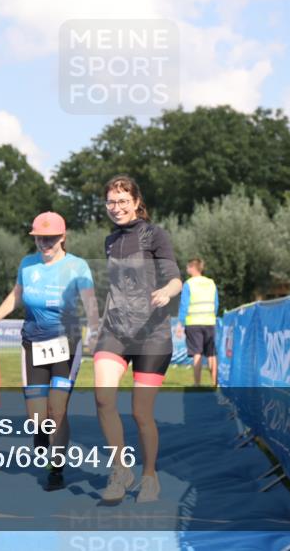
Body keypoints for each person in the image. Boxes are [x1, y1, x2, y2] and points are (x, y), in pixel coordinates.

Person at [0, 211, 99, 491]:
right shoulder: (27, 264)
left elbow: (89, 301)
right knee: (37, 417)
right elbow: (16, 296)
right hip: (33, 343)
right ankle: (41, 433)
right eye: (39, 238)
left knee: (58, 409)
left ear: (63, 237)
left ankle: (57, 468)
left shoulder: (77, 266)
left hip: (66, 344)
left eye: (51, 238)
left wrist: (95, 329)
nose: (44, 243)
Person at [92, 175, 182, 504]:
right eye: (111, 202)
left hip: (152, 333)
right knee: (103, 399)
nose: (116, 208)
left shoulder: (154, 234)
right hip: (116, 329)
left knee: (141, 413)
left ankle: (149, 476)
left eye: (122, 201)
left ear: (135, 202)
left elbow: (175, 279)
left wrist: (166, 292)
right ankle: (120, 470)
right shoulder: (110, 241)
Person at [179, 258, 219, 387]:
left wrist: (180, 323)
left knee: (197, 353)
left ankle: (197, 384)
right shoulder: (211, 283)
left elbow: (184, 305)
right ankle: (214, 383)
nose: (186, 270)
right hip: (210, 322)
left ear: (192, 268)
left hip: (193, 323)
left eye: (187, 267)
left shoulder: (189, 284)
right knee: (212, 354)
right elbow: (216, 304)